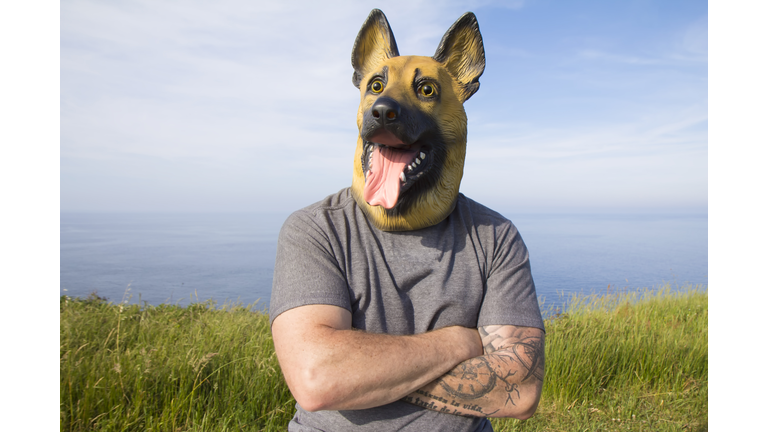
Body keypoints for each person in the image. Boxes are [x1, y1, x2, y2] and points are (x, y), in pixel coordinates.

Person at [269, 9, 545, 432]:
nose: (386, 104)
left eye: (427, 90)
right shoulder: (315, 230)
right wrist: (461, 341)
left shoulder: (495, 237)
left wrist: (358, 373)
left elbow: (519, 389)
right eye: (376, 87)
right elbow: (317, 379)